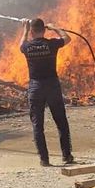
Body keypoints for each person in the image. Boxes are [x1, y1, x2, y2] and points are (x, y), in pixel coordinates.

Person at [19, 18, 74, 166]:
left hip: (35, 88)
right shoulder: (51, 44)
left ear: (32, 31)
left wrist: (24, 28)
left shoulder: (27, 47)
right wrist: (55, 27)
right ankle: (67, 156)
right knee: (61, 121)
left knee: (38, 125)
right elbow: (67, 38)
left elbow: (21, 44)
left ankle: (44, 159)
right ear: (43, 30)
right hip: (52, 86)